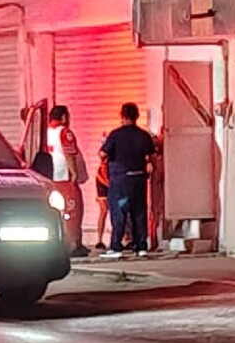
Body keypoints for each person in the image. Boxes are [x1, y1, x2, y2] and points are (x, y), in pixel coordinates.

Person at [99, 103, 156, 258]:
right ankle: (141, 247)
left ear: (122, 116)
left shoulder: (115, 135)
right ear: (136, 116)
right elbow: (150, 156)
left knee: (119, 213)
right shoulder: (144, 135)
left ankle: (116, 247)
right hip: (139, 178)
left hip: (121, 179)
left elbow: (103, 153)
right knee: (139, 212)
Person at [47, 105, 87, 258]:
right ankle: (74, 244)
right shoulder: (64, 132)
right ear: (63, 117)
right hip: (64, 178)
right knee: (73, 210)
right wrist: (74, 173)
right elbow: (69, 154)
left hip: (50, 177)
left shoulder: (44, 132)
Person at [94, 156, 110, 251]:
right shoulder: (104, 165)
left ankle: (119, 237)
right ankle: (99, 239)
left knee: (111, 211)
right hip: (103, 186)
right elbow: (104, 178)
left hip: (107, 184)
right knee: (104, 211)